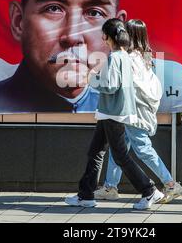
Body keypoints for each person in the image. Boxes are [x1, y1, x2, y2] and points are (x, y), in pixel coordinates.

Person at [64, 18, 164, 210]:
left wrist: (92, 79)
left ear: (106, 36)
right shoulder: (125, 55)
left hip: (113, 113)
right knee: (96, 152)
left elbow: (110, 86)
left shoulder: (115, 57)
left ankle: (149, 190)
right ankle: (85, 195)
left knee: (119, 156)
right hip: (112, 112)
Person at [94, 19, 182, 203]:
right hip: (136, 111)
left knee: (142, 148)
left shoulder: (127, 58)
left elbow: (119, 85)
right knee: (118, 148)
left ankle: (170, 184)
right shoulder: (144, 57)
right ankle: (110, 186)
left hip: (133, 112)